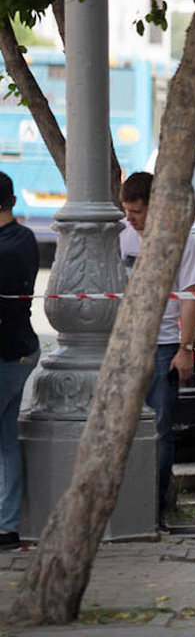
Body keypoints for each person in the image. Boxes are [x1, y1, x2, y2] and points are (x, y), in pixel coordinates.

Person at [119, 172, 195, 529]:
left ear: (155, 209)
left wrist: (185, 348)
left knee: (159, 429)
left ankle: (153, 511)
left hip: (165, 344)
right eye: (126, 210)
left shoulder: (180, 242)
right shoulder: (120, 237)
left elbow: (189, 298)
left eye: (137, 211)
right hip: (127, 346)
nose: (130, 218)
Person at [0, 171, 39, 548]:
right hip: (21, 351)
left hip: (7, 355)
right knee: (7, 440)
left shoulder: (6, 248)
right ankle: (7, 524)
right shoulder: (24, 239)